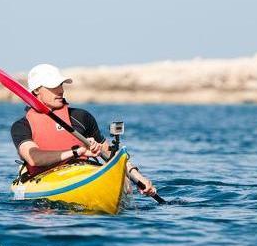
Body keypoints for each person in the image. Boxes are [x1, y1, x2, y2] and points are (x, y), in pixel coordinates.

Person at [10, 63, 157, 196]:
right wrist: (76, 151)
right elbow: (33, 158)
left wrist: (139, 178)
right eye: (53, 86)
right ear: (36, 90)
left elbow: (111, 155)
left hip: (84, 170)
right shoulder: (22, 126)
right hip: (46, 177)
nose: (61, 90)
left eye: (61, 85)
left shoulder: (81, 117)